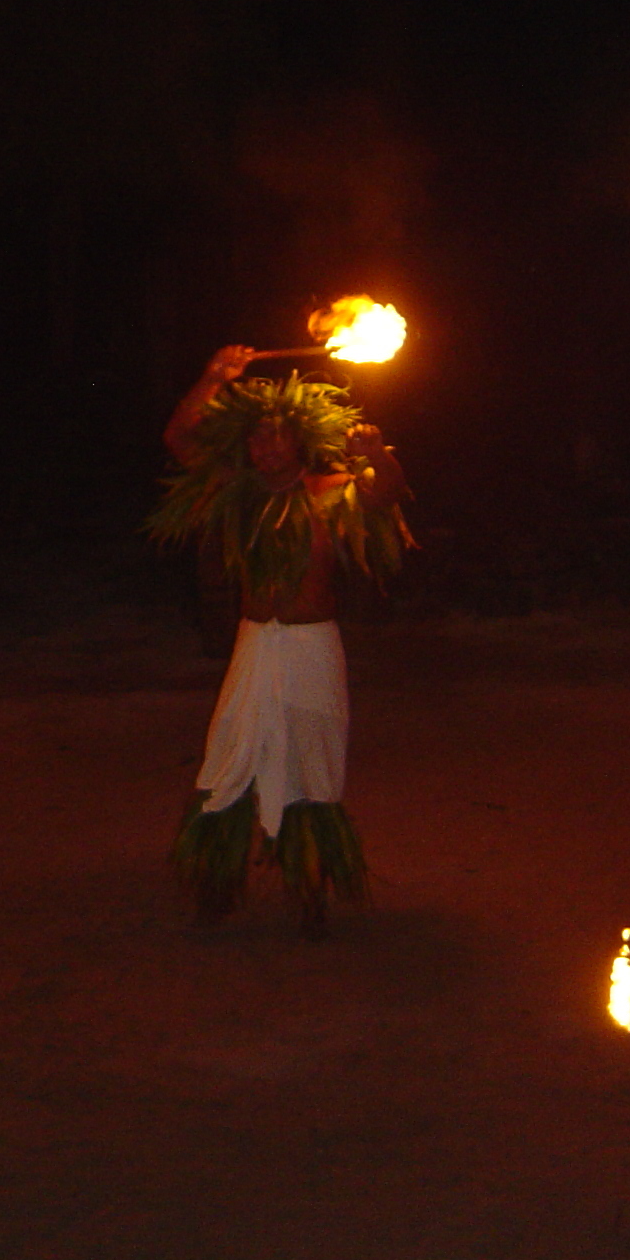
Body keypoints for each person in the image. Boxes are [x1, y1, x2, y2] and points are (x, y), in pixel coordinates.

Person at [150, 347, 410, 939]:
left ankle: (309, 886)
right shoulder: (238, 491)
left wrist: (378, 458)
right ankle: (218, 883)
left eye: (275, 439)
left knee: (310, 761)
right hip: (253, 644)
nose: (264, 449)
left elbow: (385, 495)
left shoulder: (330, 489)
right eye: (256, 440)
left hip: (311, 644)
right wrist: (213, 377)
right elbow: (179, 437)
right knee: (232, 755)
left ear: (299, 442)